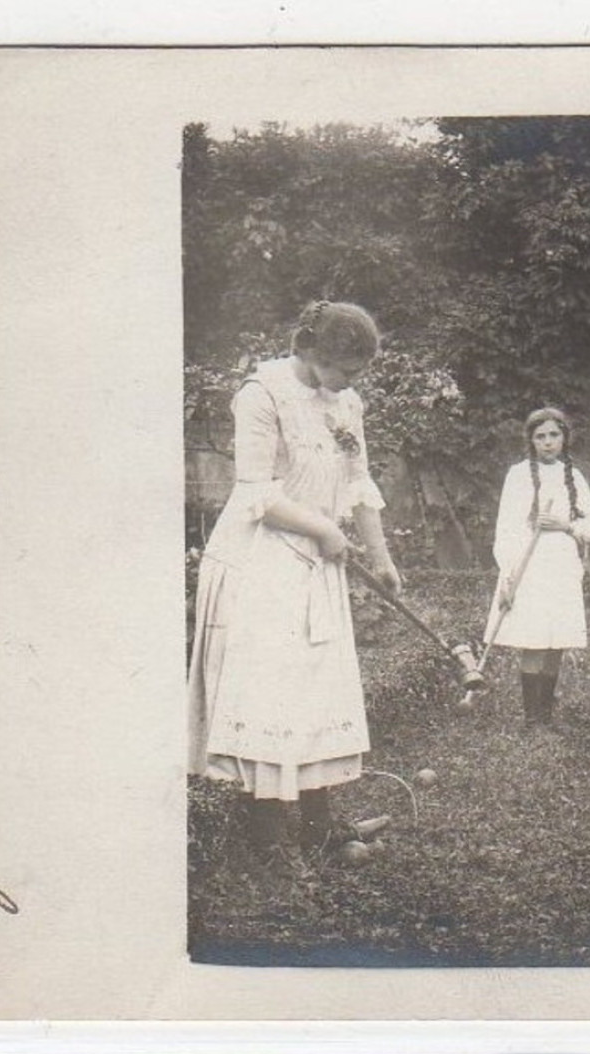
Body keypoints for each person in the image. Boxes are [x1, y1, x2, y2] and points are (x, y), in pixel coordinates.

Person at [187, 300, 402, 875]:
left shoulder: (346, 403)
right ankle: (269, 840)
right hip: (261, 563)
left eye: (357, 373)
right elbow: (257, 493)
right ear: (310, 352)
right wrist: (326, 531)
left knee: (315, 693)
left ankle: (319, 827)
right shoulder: (261, 394)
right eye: (346, 370)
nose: (352, 383)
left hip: (315, 560)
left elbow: (358, 482)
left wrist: (379, 556)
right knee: (270, 696)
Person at [484, 407, 590, 728]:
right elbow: (506, 529)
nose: (548, 443)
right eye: (540, 437)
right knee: (534, 638)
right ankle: (531, 717)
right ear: (531, 440)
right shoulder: (519, 475)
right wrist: (509, 576)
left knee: (555, 639)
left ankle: (546, 715)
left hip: (561, 567)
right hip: (529, 567)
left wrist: (565, 524)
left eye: (554, 435)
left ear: (564, 438)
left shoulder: (574, 477)